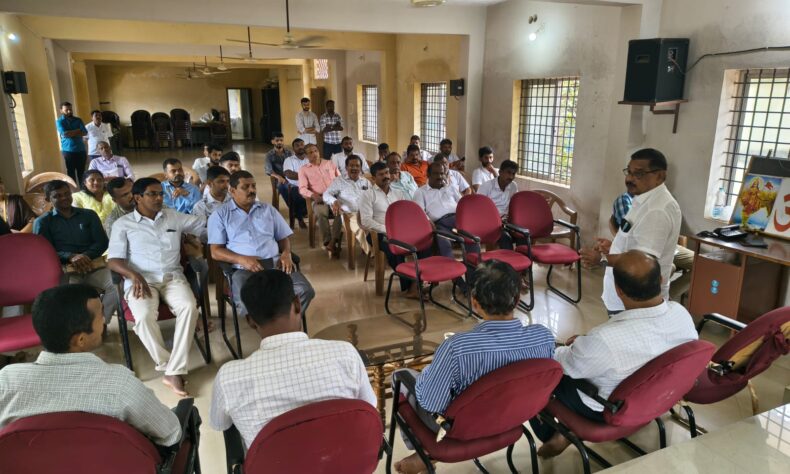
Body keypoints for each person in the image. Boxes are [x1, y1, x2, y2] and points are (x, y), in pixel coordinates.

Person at [530, 250, 698, 458]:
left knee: (538, 368)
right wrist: (587, 345)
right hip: (655, 397)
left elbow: (563, 363)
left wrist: (571, 347)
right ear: (661, 279)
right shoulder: (681, 314)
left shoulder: (606, 339)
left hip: (603, 408)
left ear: (618, 291)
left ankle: (551, 433)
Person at [393, 260, 555, 473]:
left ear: (474, 302)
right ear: (517, 300)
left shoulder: (456, 348)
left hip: (462, 430)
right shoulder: (543, 337)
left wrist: (426, 375)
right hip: (514, 417)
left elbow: (432, 404)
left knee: (400, 375)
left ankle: (424, 451)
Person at [209, 269, 374, 449]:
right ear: (297, 304)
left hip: (274, 463)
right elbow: (369, 409)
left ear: (250, 321)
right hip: (344, 460)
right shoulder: (345, 354)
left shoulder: (228, 378)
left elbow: (220, 424)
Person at [0, 284, 182, 446]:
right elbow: (170, 433)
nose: (104, 320)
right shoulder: (120, 385)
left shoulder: (5, 381)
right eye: (101, 315)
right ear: (80, 339)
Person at [107, 177, 205, 396]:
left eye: (161, 193)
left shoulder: (173, 216)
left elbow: (202, 224)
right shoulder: (123, 224)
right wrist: (133, 275)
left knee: (189, 307)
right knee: (143, 317)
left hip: (172, 278)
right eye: (152, 194)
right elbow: (113, 260)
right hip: (141, 280)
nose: (159, 198)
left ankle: (173, 371)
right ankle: (168, 366)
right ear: (137, 198)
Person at [580, 148, 681, 314]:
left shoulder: (657, 210)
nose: (629, 179)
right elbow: (635, 241)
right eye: (629, 172)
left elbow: (641, 263)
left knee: (626, 332)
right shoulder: (643, 198)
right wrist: (614, 247)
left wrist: (602, 259)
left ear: (660, 176)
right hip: (625, 295)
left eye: (639, 174)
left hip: (636, 302)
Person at [208, 170, 315, 319]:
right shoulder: (220, 215)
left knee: (305, 290)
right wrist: (242, 259)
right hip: (244, 270)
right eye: (245, 187)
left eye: (253, 186)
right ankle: (271, 327)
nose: (252, 190)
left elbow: (283, 237)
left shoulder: (268, 209)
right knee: (246, 301)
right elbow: (215, 251)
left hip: (276, 265)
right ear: (232, 191)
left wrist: (286, 253)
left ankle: (281, 325)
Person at [33, 180, 117, 327]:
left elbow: (102, 242)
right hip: (65, 271)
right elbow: (44, 252)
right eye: (57, 196)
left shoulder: (88, 215)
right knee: (66, 299)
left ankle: (100, 324)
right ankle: (75, 330)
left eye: (67, 193)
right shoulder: (43, 222)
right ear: (48, 199)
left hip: (93, 266)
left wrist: (85, 256)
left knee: (117, 285)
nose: (64, 198)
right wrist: (70, 257)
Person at [608, 191, 694, 303]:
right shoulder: (625, 200)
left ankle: (666, 296)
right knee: (668, 268)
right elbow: (630, 235)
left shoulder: (661, 199)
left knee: (700, 264)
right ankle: (662, 299)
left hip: (666, 245)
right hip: (645, 246)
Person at [298, 144, 343, 255]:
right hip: (319, 198)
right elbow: (302, 189)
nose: (314, 154)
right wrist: (313, 195)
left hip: (334, 197)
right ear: (306, 156)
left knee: (341, 211)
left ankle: (333, 241)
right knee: (321, 213)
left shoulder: (329, 163)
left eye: (315, 151)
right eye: (310, 152)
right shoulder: (303, 170)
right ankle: (327, 241)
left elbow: (340, 180)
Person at [412, 162, 463, 258]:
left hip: (459, 220)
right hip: (440, 225)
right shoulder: (421, 192)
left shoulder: (451, 188)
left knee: (472, 234)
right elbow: (420, 213)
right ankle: (450, 267)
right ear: (428, 175)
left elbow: (463, 203)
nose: (439, 176)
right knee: (443, 240)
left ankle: (475, 265)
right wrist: (429, 222)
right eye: (435, 173)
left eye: (442, 173)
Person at [323, 155, 370, 255]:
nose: (354, 168)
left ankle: (384, 251)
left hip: (366, 213)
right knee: (361, 228)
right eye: (351, 165)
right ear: (346, 167)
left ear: (361, 168)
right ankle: (373, 253)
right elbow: (326, 194)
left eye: (357, 166)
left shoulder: (365, 182)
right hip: (349, 214)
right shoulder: (339, 181)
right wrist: (334, 201)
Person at [476, 159, 519, 249]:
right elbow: (478, 209)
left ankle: (523, 258)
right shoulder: (486, 186)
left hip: (507, 222)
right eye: (508, 173)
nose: (511, 177)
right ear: (500, 172)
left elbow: (515, 205)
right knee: (506, 238)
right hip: (490, 222)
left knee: (524, 235)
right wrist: (496, 219)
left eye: (513, 174)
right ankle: (508, 258)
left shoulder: (513, 186)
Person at [191, 166, 231, 242]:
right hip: (215, 243)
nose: (226, 185)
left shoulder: (235, 200)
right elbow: (200, 232)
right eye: (221, 181)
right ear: (209, 183)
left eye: (228, 181)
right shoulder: (200, 207)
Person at [56, 101, 88, 183]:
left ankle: (83, 188)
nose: (69, 111)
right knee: (71, 173)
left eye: (70, 109)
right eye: (66, 110)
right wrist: (78, 130)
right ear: (61, 111)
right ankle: (73, 189)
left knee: (82, 172)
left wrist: (71, 133)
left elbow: (85, 132)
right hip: (68, 151)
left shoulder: (78, 120)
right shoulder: (60, 121)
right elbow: (65, 134)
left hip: (81, 150)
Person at [282, 139, 309, 228]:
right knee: (297, 195)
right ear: (293, 148)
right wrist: (307, 176)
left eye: (302, 145)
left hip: (310, 185)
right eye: (297, 145)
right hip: (296, 185)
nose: (300, 147)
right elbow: (289, 174)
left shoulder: (309, 159)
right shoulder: (289, 160)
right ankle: (300, 218)